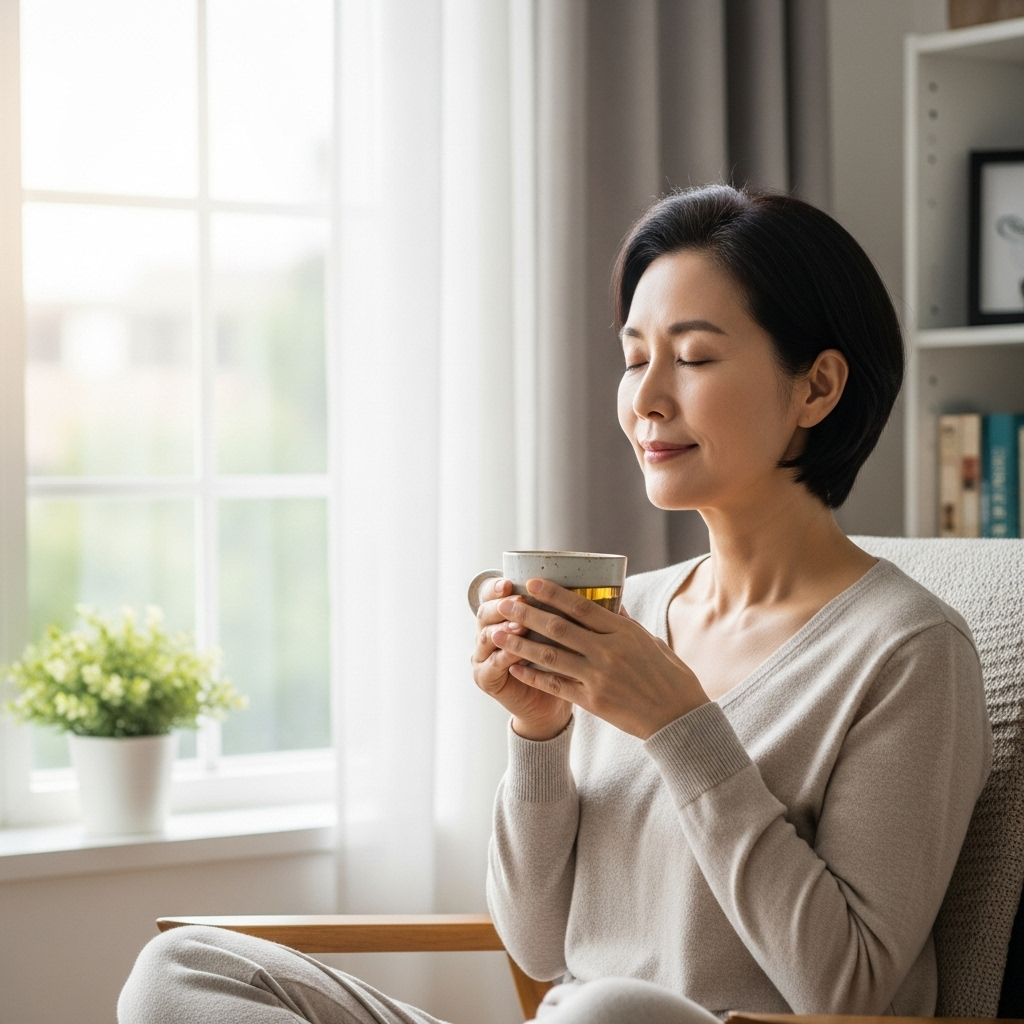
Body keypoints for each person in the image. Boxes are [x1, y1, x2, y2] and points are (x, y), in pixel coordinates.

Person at [117, 185, 991, 1024]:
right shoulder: (623, 620)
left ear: (817, 387)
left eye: (690, 358)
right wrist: (539, 737)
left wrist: (681, 727)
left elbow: (849, 991)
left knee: (611, 1008)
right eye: (633, 357)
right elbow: (537, 950)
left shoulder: (908, 652)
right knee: (185, 971)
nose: (646, 399)